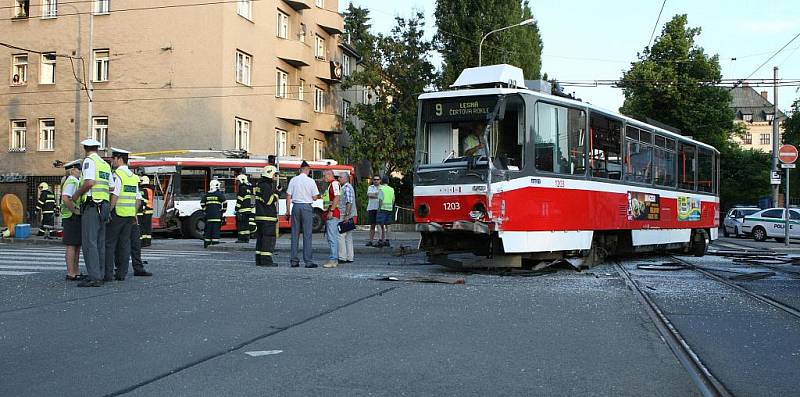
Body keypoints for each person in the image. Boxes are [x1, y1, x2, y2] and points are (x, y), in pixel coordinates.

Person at [73, 138, 112, 288]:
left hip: (92, 205)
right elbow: (111, 188)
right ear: (97, 148)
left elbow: (89, 182)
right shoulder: (105, 164)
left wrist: (76, 194)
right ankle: (100, 274)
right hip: (104, 205)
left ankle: (94, 277)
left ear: (85, 148)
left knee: (90, 242)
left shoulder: (89, 162)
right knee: (100, 243)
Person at [105, 148, 139, 281]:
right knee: (124, 244)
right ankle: (121, 273)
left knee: (110, 243)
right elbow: (138, 199)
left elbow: (115, 195)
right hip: (129, 215)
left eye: (113, 159)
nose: (112, 161)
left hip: (117, 214)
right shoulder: (132, 176)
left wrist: (108, 211)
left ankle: (107, 273)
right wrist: (134, 214)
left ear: (119, 159)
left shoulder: (117, 175)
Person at [286, 161, 320, 268]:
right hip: (306, 207)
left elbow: (288, 197)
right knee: (307, 234)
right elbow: (315, 197)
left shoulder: (293, 180)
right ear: (307, 170)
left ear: (300, 169)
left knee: (295, 234)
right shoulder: (311, 181)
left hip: (296, 207)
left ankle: (294, 260)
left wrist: (288, 211)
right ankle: (308, 261)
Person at [60, 160, 85, 281]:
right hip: (71, 216)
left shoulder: (74, 181)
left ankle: (76, 271)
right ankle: (71, 272)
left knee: (76, 245)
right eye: (79, 169)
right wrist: (75, 210)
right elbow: (66, 198)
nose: (80, 172)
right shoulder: (71, 181)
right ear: (73, 169)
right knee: (71, 245)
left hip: (73, 216)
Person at [254, 165, 279, 266]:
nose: (275, 177)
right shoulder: (266, 185)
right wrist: (277, 194)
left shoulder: (259, 184)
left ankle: (259, 260)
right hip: (267, 217)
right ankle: (266, 261)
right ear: (270, 174)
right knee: (268, 239)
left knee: (260, 239)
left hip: (260, 216)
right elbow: (268, 201)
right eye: (274, 175)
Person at [129, 186, 153, 277]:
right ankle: (138, 268)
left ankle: (117, 270)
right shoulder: (133, 180)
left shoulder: (119, 177)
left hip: (123, 215)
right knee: (135, 244)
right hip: (132, 216)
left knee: (123, 243)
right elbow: (139, 200)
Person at [321, 170, 341, 268]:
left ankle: (333, 259)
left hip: (332, 214)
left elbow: (337, 197)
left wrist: (331, 210)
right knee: (331, 238)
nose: (323, 178)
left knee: (332, 238)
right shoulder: (331, 184)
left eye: (324, 176)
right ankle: (333, 259)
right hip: (331, 213)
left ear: (330, 175)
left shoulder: (334, 184)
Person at [201, 179, 226, 248]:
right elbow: (225, 202)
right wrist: (223, 210)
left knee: (208, 230)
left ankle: (207, 243)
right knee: (215, 230)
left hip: (209, 216)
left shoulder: (207, 195)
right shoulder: (219, 194)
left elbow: (202, 203)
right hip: (217, 216)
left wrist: (205, 210)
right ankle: (215, 243)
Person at [337, 173, 356, 263]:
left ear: (345, 178)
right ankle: (350, 257)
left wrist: (347, 215)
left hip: (344, 214)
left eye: (340, 177)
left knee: (340, 235)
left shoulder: (346, 187)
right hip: (348, 214)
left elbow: (349, 202)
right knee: (348, 236)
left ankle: (342, 257)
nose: (339, 179)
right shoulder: (348, 187)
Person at [235, 174, 255, 243]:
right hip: (249, 210)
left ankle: (241, 239)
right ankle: (246, 238)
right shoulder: (250, 187)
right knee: (246, 225)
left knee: (241, 225)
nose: (238, 183)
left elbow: (240, 200)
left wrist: (236, 209)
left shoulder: (242, 188)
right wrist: (252, 207)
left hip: (242, 210)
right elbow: (253, 199)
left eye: (238, 181)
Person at [376, 176, 395, 247]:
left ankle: (380, 240)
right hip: (389, 209)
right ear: (388, 182)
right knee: (388, 225)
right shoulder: (391, 189)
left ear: (381, 182)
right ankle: (387, 240)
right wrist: (391, 207)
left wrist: (379, 208)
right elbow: (393, 199)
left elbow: (380, 199)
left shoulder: (381, 189)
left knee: (379, 224)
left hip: (382, 209)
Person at [138, 175, 154, 247]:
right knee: (148, 227)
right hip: (150, 210)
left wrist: (142, 208)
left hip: (145, 210)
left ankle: (144, 242)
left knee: (143, 226)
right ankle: (148, 242)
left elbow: (144, 200)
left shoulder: (144, 190)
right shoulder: (150, 190)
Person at [366, 175, 381, 247]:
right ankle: (371, 241)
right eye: (374, 179)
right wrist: (377, 194)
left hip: (380, 208)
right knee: (372, 225)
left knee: (380, 225)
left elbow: (381, 196)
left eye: (377, 179)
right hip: (372, 208)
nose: (376, 181)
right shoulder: (370, 187)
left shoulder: (382, 187)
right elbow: (369, 195)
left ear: (380, 180)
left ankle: (380, 240)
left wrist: (374, 194)